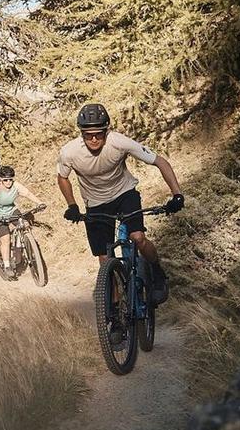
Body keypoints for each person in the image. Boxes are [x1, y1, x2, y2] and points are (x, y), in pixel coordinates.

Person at [56, 103, 184, 309]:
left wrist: (177, 194)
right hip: (95, 203)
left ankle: (157, 271)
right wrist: (72, 205)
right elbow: (62, 178)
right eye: (88, 135)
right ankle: (114, 311)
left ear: (107, 130)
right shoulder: (70, 152)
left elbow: (160, 162)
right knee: (105, 258)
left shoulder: (119, 142)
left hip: (124, 194)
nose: (94, 139)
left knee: (138, 237)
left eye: (99, 134)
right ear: (81, 134)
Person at [0, 165, 44, 276]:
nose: (8, 182)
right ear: (0, 180)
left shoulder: (16, 186)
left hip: (12, 211)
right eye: (5, 180)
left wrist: (39, 203)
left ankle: (21, 248)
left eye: (10, 179)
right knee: (5, 238)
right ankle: (7, 265)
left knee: (24, 224)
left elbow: (28, 194)